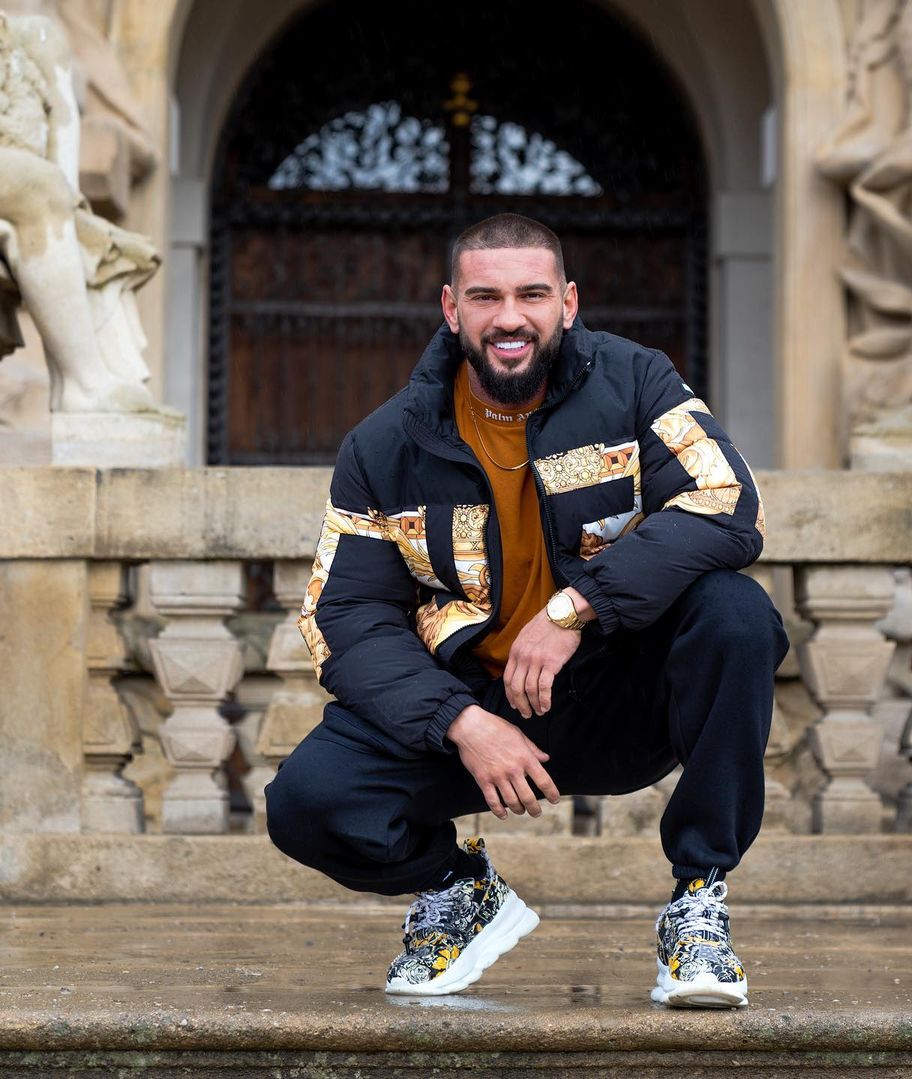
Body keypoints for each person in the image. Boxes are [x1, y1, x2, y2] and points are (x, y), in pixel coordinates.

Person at [265, 213, 788, 1008]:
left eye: (532, 295)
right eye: (486, 297)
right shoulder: (384, 444)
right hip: (477, 711)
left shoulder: (636, 381)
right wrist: (459, 721)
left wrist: (577, 607)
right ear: (452, 308)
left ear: (567, 303)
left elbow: (727, 500)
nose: (509, 317)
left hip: (619, 694)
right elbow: (343, 616)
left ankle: (698, 901)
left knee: (737, 614)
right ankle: (457, 889)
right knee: (305, 801)